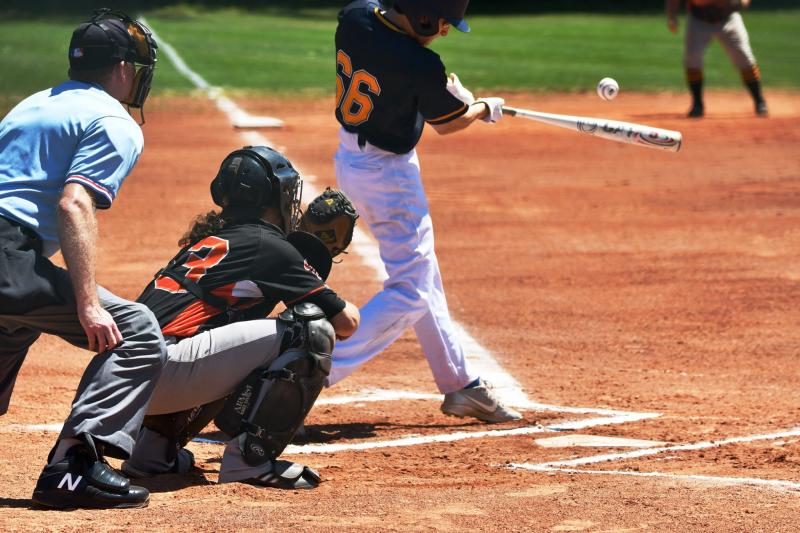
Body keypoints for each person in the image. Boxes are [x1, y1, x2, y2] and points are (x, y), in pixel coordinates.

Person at [118, 146, 360, 489]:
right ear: (270, 198)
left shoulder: (209, 241)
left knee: (217, 335)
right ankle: (249, 463)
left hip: (124, 383)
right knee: (309, 330)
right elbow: (346, 324)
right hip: (165, 374)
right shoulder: (271, 246)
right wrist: (312, 272)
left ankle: (152, 454)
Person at [0, 10, 164, 509]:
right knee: (134, 330)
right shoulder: (112, 119)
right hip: (7, 257)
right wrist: (88, 303)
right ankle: (72, 469)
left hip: (12, 261)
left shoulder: (33, 104)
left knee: (15, 322)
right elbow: (75, 202)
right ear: (121, 69)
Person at [330, 0, 521, 423]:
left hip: (350, 159)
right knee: (412, 289)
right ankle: (311, 369)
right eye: (441, 21)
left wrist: (450, 99)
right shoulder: (420, 61)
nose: (446, 30)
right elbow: (449, 123)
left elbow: (401, 84)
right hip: (388, 177)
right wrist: (480, 106)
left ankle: (460, 385)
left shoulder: (357, 16)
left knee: (422, 273)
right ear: (419, 14)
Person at [666, 0, 768, 117]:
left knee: (744, 57)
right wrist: (672, 17)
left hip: (728, 19)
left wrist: (741, 2)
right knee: (692, 59)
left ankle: (759, 101)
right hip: (698, 20)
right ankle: (697, 104)